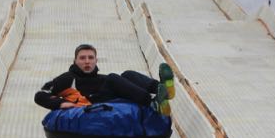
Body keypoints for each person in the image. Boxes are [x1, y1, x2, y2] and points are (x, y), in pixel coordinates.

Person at [34, 43, 175, 115]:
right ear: (75, 61)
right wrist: (60, 103)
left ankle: (162, 89)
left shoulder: (102, 78)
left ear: (96, 60)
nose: (87, 61)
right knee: (114, 78)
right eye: (82, 58)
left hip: (108, 99)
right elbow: (40, 95)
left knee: (127, 75)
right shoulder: (67, 78)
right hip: (89, 104)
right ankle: (152, 103)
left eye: (91, 58)